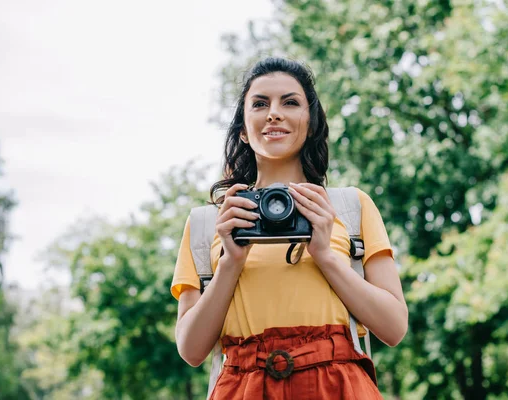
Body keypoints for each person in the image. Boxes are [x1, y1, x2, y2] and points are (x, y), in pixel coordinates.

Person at [171, 57, 408, 399]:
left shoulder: (349, 207)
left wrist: (325, 254)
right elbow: (191, 350)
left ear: (311, 123)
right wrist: (230, 262)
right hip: (244, 386)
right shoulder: (210, 223)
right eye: (260, 104)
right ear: (243, 127)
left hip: (337, 386)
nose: (274, 113)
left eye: (291, 102)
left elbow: (394, 327)